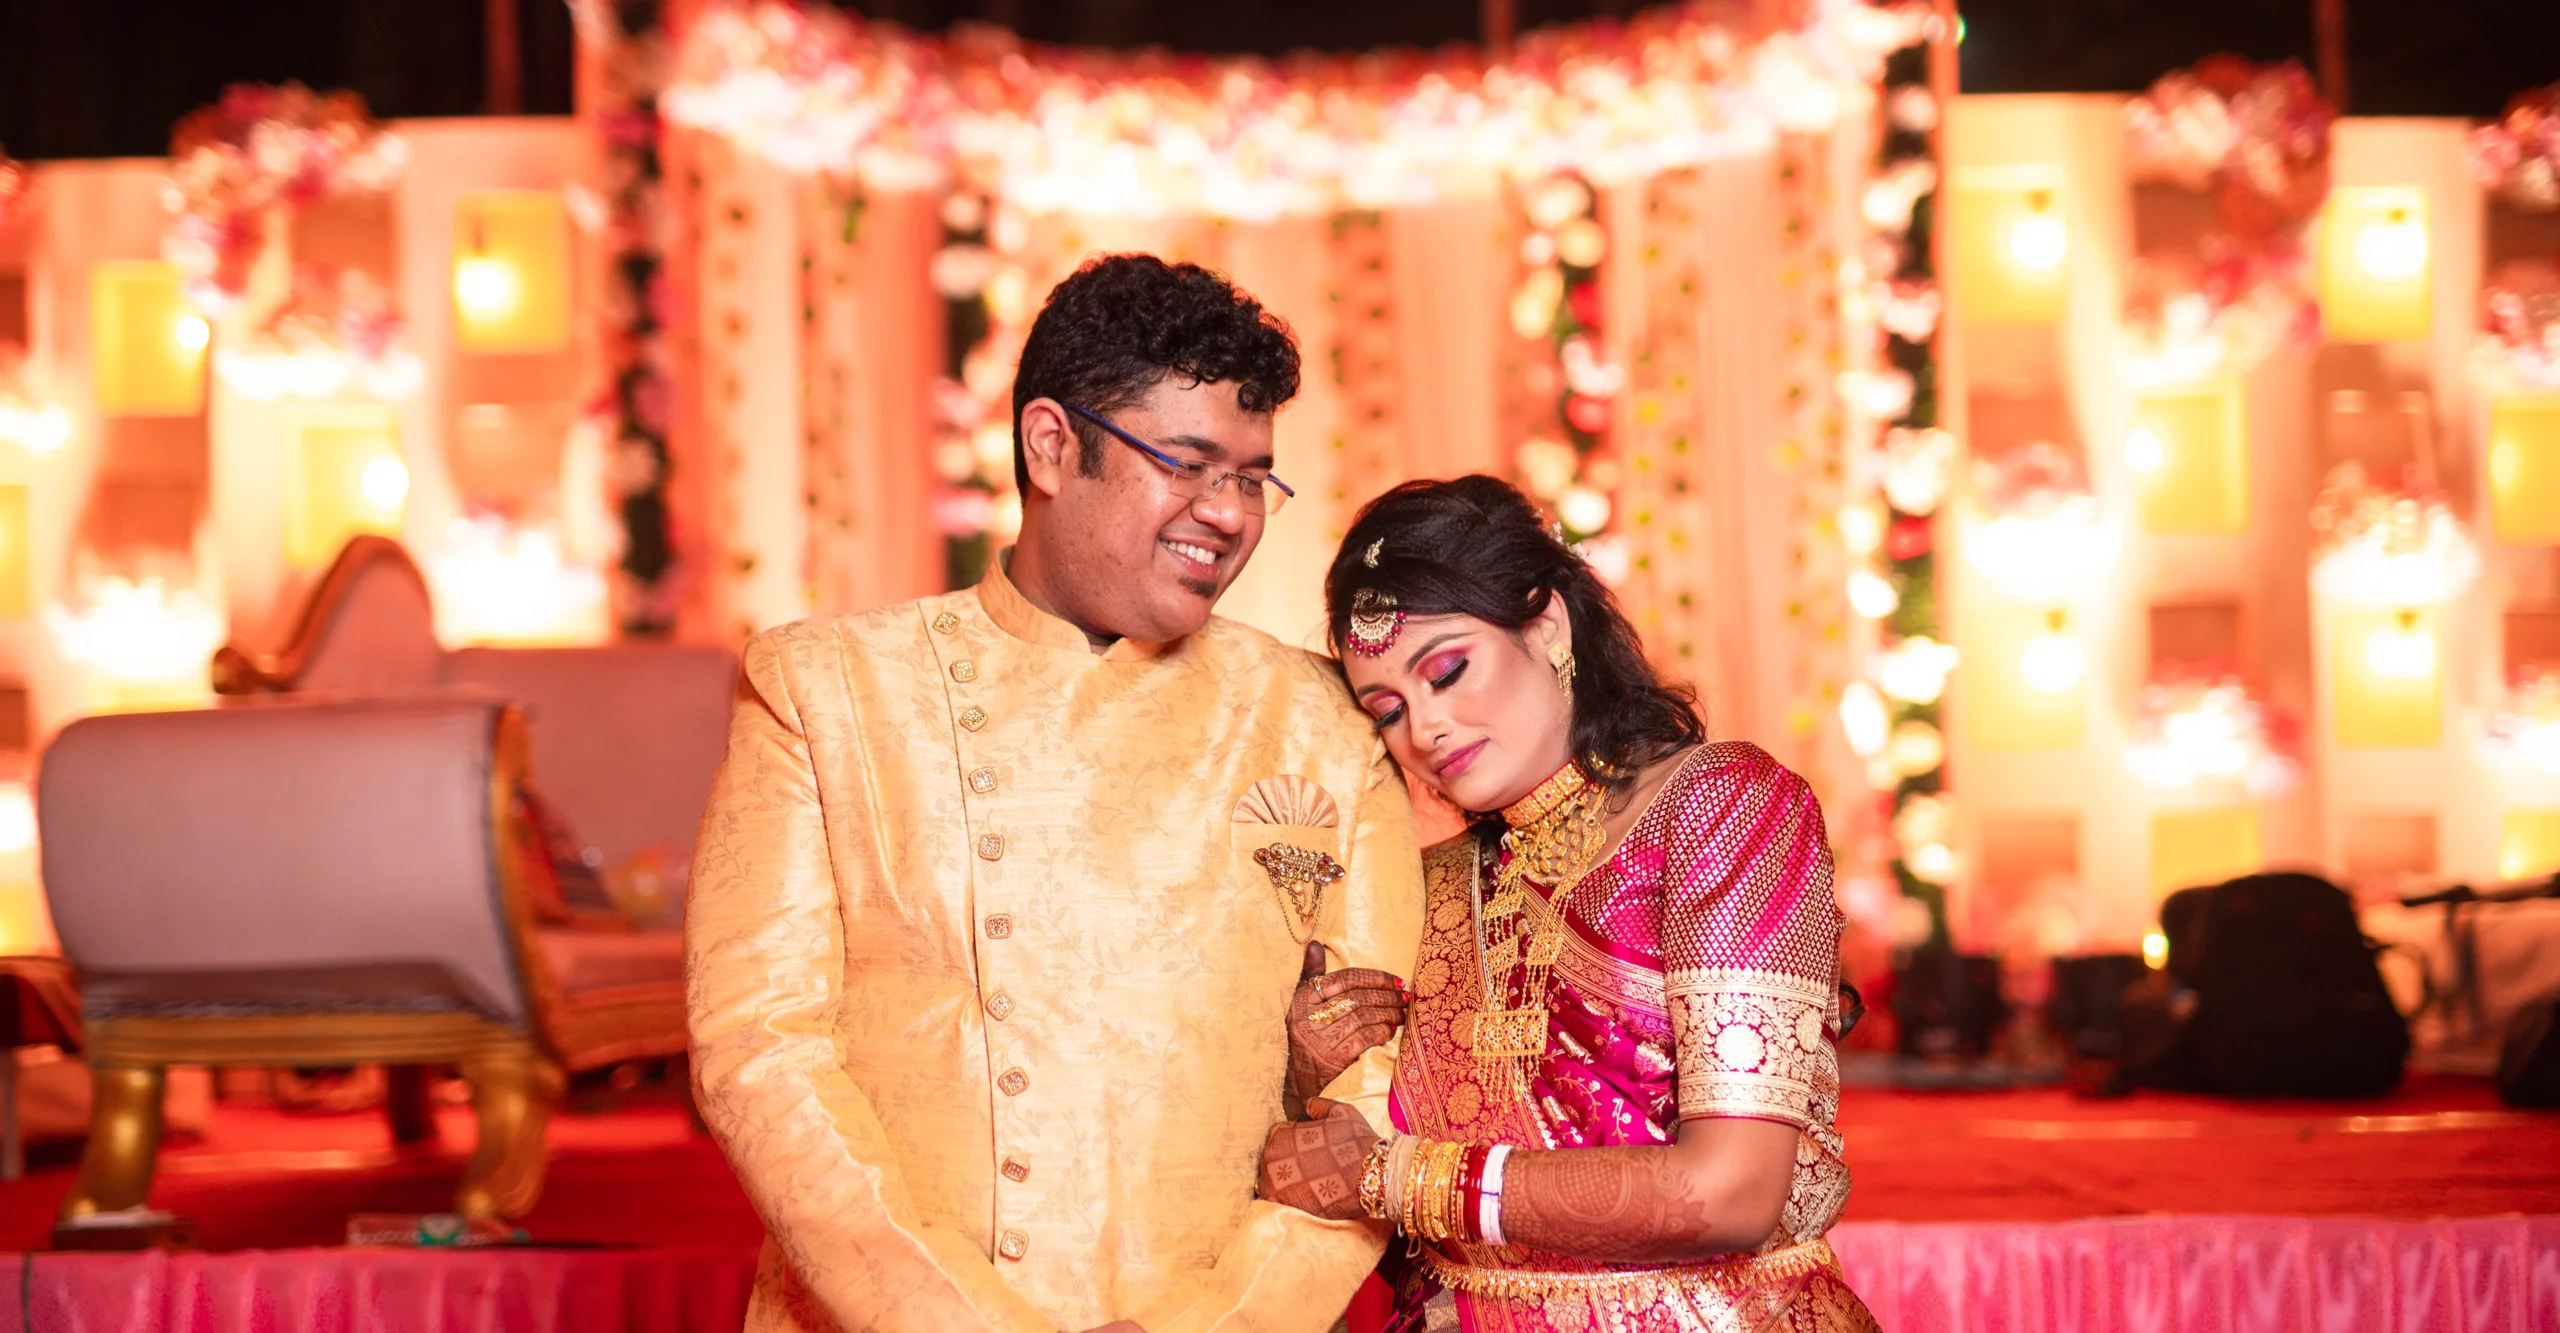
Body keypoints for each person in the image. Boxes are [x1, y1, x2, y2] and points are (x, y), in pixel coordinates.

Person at [687, 254, 1424, 1333]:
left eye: (1253, 476)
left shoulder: (1319, 721)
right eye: (1186, 463)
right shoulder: (828, 688)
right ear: (1049, 445)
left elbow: (1376, 1087)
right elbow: (759, 1051)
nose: (1226, 513)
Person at [1258, 476, 1877, 1332]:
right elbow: (1399, 1224)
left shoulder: (1720, 807)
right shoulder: (1431, 884)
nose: (1425, 728)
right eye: (1389, 708)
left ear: (1546, 624)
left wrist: (1394, 1175)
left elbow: (1733, 1189)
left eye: (1447, 669)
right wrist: (1313, 1075)